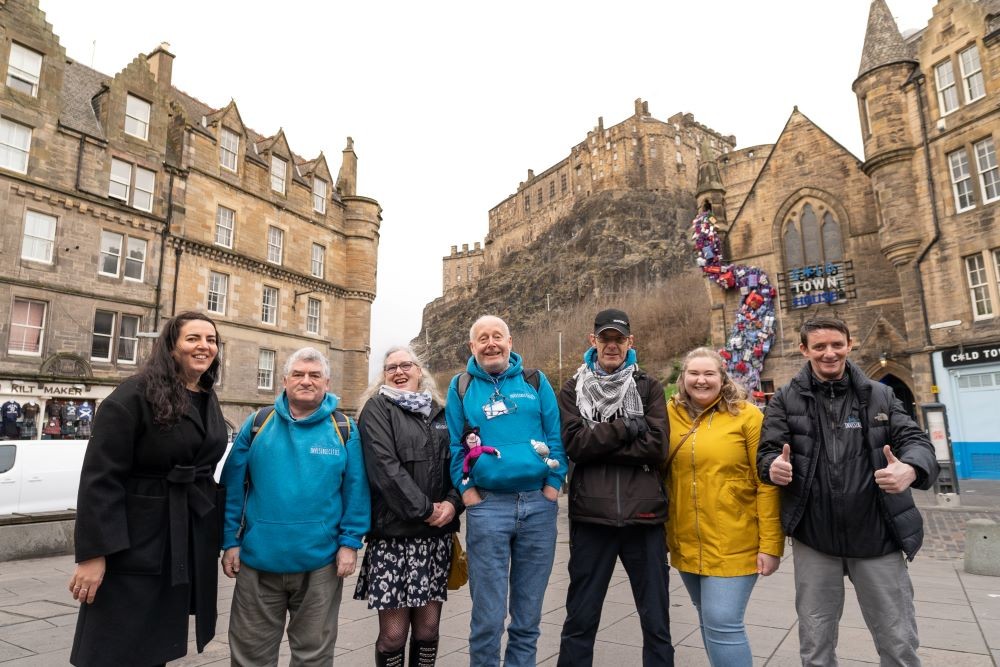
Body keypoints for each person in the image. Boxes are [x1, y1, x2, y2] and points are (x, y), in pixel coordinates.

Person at [757, 316, 938, 666]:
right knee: (816, 645)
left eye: (836, 345)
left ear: (849, 345)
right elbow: (767, 452)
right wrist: (772, 468)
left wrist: (910, 468)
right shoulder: (784, 399)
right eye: (820, 346)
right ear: (804, 349)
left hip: (877, 536)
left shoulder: (881, 395)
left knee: (898, 642)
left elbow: (916, 441)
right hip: (815, 538)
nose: (829, 353)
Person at [69, 311, 228, 666]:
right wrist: (93, 555)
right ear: (172, 346)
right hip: (133, 541)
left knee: (157, 645)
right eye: (193, 338)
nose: (204, 346)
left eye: (211, 340)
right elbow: (99, 478)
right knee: (115, 643)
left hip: (180, 539)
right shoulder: (132, 396)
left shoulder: (205, 395)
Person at [220, 346, 370, 666]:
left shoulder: (344, 429)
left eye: (314, 375)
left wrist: (350, 543)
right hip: (258, 560)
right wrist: (230, 541)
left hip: (321, 562)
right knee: (250, 656)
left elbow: (356, 491)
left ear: (326, 383)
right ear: (285, 380)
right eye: (298, 374)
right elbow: (233, 487)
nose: (306, 380)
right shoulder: (259, 423)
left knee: (313, 656)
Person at [445, 315, 567, 667]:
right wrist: (468, 493)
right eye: (482, 338)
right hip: (489, 509)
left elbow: (555, 439)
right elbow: (455, 446)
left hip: (537, 507)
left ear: (510, 342)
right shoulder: (461, 386)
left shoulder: (535, 381)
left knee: (527, 619)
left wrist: (552, 487)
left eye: (497, 336)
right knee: (488, 618)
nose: (491, 343)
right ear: (473, 347)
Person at [557, 308, 674, 666]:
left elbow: (656, 446)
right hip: (593, 518)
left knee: (656, 622)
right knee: (580, 620)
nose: (611, 345)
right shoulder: (572, 389)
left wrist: (599, 440)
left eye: (618, 339)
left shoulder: (648, 386)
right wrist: (627, 427)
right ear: (593, 341)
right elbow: (575, 445)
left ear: (630, 342)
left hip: (645, 518)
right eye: (605, 338)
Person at [666, 347, 784, 666]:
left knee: (722, 622)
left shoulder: (747, 416)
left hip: (736, 540)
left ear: (723, 378)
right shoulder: (668, 413)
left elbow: (767, 482)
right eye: (694, 373)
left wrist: (771, 545)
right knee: (709, 619)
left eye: (709, 374)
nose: (701, 380)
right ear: (683, 378)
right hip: (687, 541)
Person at [353, 345, 462, 667]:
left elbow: (459, 464)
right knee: (393, 636)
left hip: (435, 540)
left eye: (406, 365)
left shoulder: (441, 412)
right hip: (393, 540)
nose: (399, 372)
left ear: (419, 371)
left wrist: (454, 505)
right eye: (391, 368)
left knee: (428, 631)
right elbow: (385, 469)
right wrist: (428, 510)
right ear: (383, 375)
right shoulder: (376, 408)